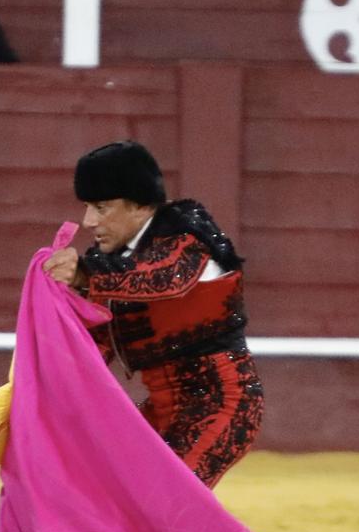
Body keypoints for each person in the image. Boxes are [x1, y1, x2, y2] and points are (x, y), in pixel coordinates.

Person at [42, 140, 261, 487]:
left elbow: (165, 278)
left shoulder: (187, 235)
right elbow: (98, 343)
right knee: (111, 491)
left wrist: (85, 276)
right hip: (163, 410)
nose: (87, 221)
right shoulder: (112, 263)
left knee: (166, 502)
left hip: (221, 408)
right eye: (87, 207)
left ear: (140, 206)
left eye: (101, 207)